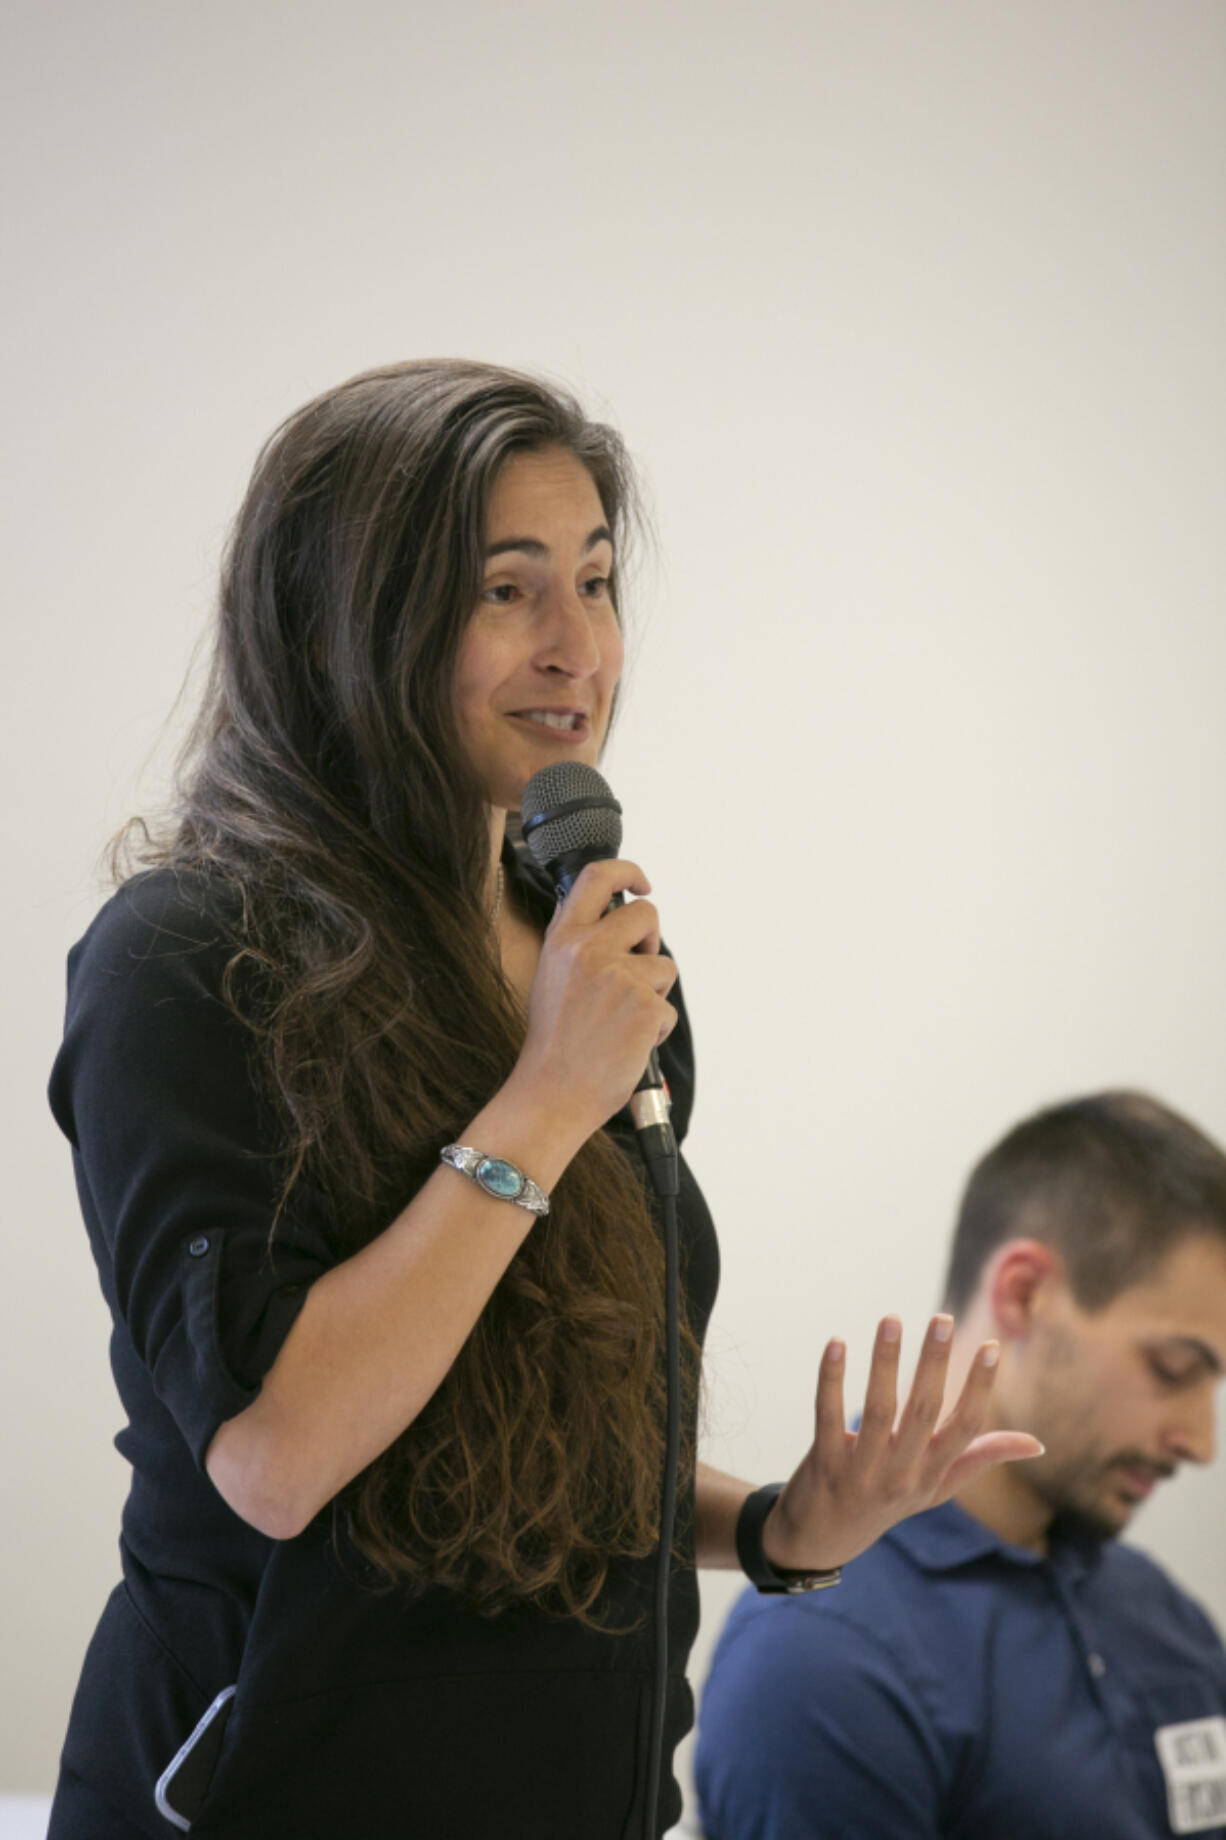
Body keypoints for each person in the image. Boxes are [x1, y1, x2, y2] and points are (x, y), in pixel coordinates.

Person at [47, 359, 1039, 1840]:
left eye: (594, 580)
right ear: (344, 619)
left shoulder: (587, 953)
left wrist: (778, 1526)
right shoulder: (190, 959)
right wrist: (541, 1102)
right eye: (507, 592)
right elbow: (272, 1454)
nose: (578, 647)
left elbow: (539, 1447)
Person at [697, 1089, 1226, 1840]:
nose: (1200, 1443)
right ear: (1026, 1294)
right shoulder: (822, 1659)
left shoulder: (1160, 1612)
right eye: (1174, 1368)